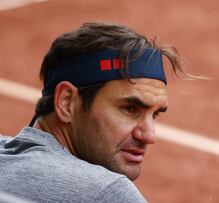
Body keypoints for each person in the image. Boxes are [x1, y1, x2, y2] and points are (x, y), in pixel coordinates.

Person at [0, 22, 194, 202]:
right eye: (130, 109)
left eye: (155, 114)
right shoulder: (106, 193)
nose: (150, 136)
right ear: (67, 102)